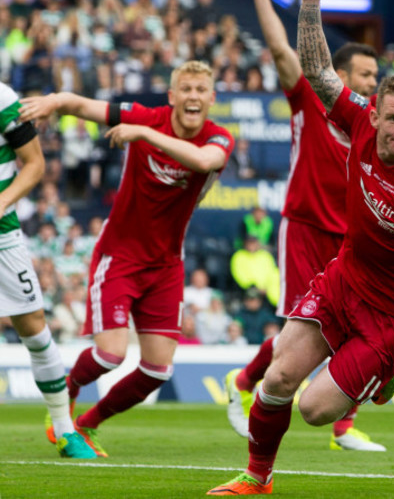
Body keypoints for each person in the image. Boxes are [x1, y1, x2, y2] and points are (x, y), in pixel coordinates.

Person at [207, 0, 394, 495]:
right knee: (278, 381)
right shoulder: (356, 120)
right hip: (343, 277)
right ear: (375, 111)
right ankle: (256, 478)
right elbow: (314, 70)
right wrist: (311, 2)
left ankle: (381, 373)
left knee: (315, 410)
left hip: (393, 312)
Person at [19, 60, 234, 457]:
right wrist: (51, 102)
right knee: (110, 354)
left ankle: (87, 424)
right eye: (185, 89)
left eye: (201, 91)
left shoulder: (217, 138)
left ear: (211, 99)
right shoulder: (146, 117)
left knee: (157, 369)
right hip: (119, 256)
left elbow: (205, 162)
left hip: (166, 264)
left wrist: (144, 135)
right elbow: (82, 106)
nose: (193, 97)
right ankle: (64, 396)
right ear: (172, 96)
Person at [0, 80, 95, 458]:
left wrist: (2, 200)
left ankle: (64, 430)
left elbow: (35, 163)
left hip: (2, 236)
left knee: (34, 327)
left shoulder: (3, 99)